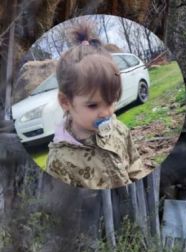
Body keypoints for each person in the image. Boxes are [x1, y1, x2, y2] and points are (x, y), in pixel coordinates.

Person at [45, 22, 147, 189]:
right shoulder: (60, 161)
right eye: (93, 105)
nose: (107, 112)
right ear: (65, 102)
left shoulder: (118, 128)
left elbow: (135, 164)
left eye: (112, 100)